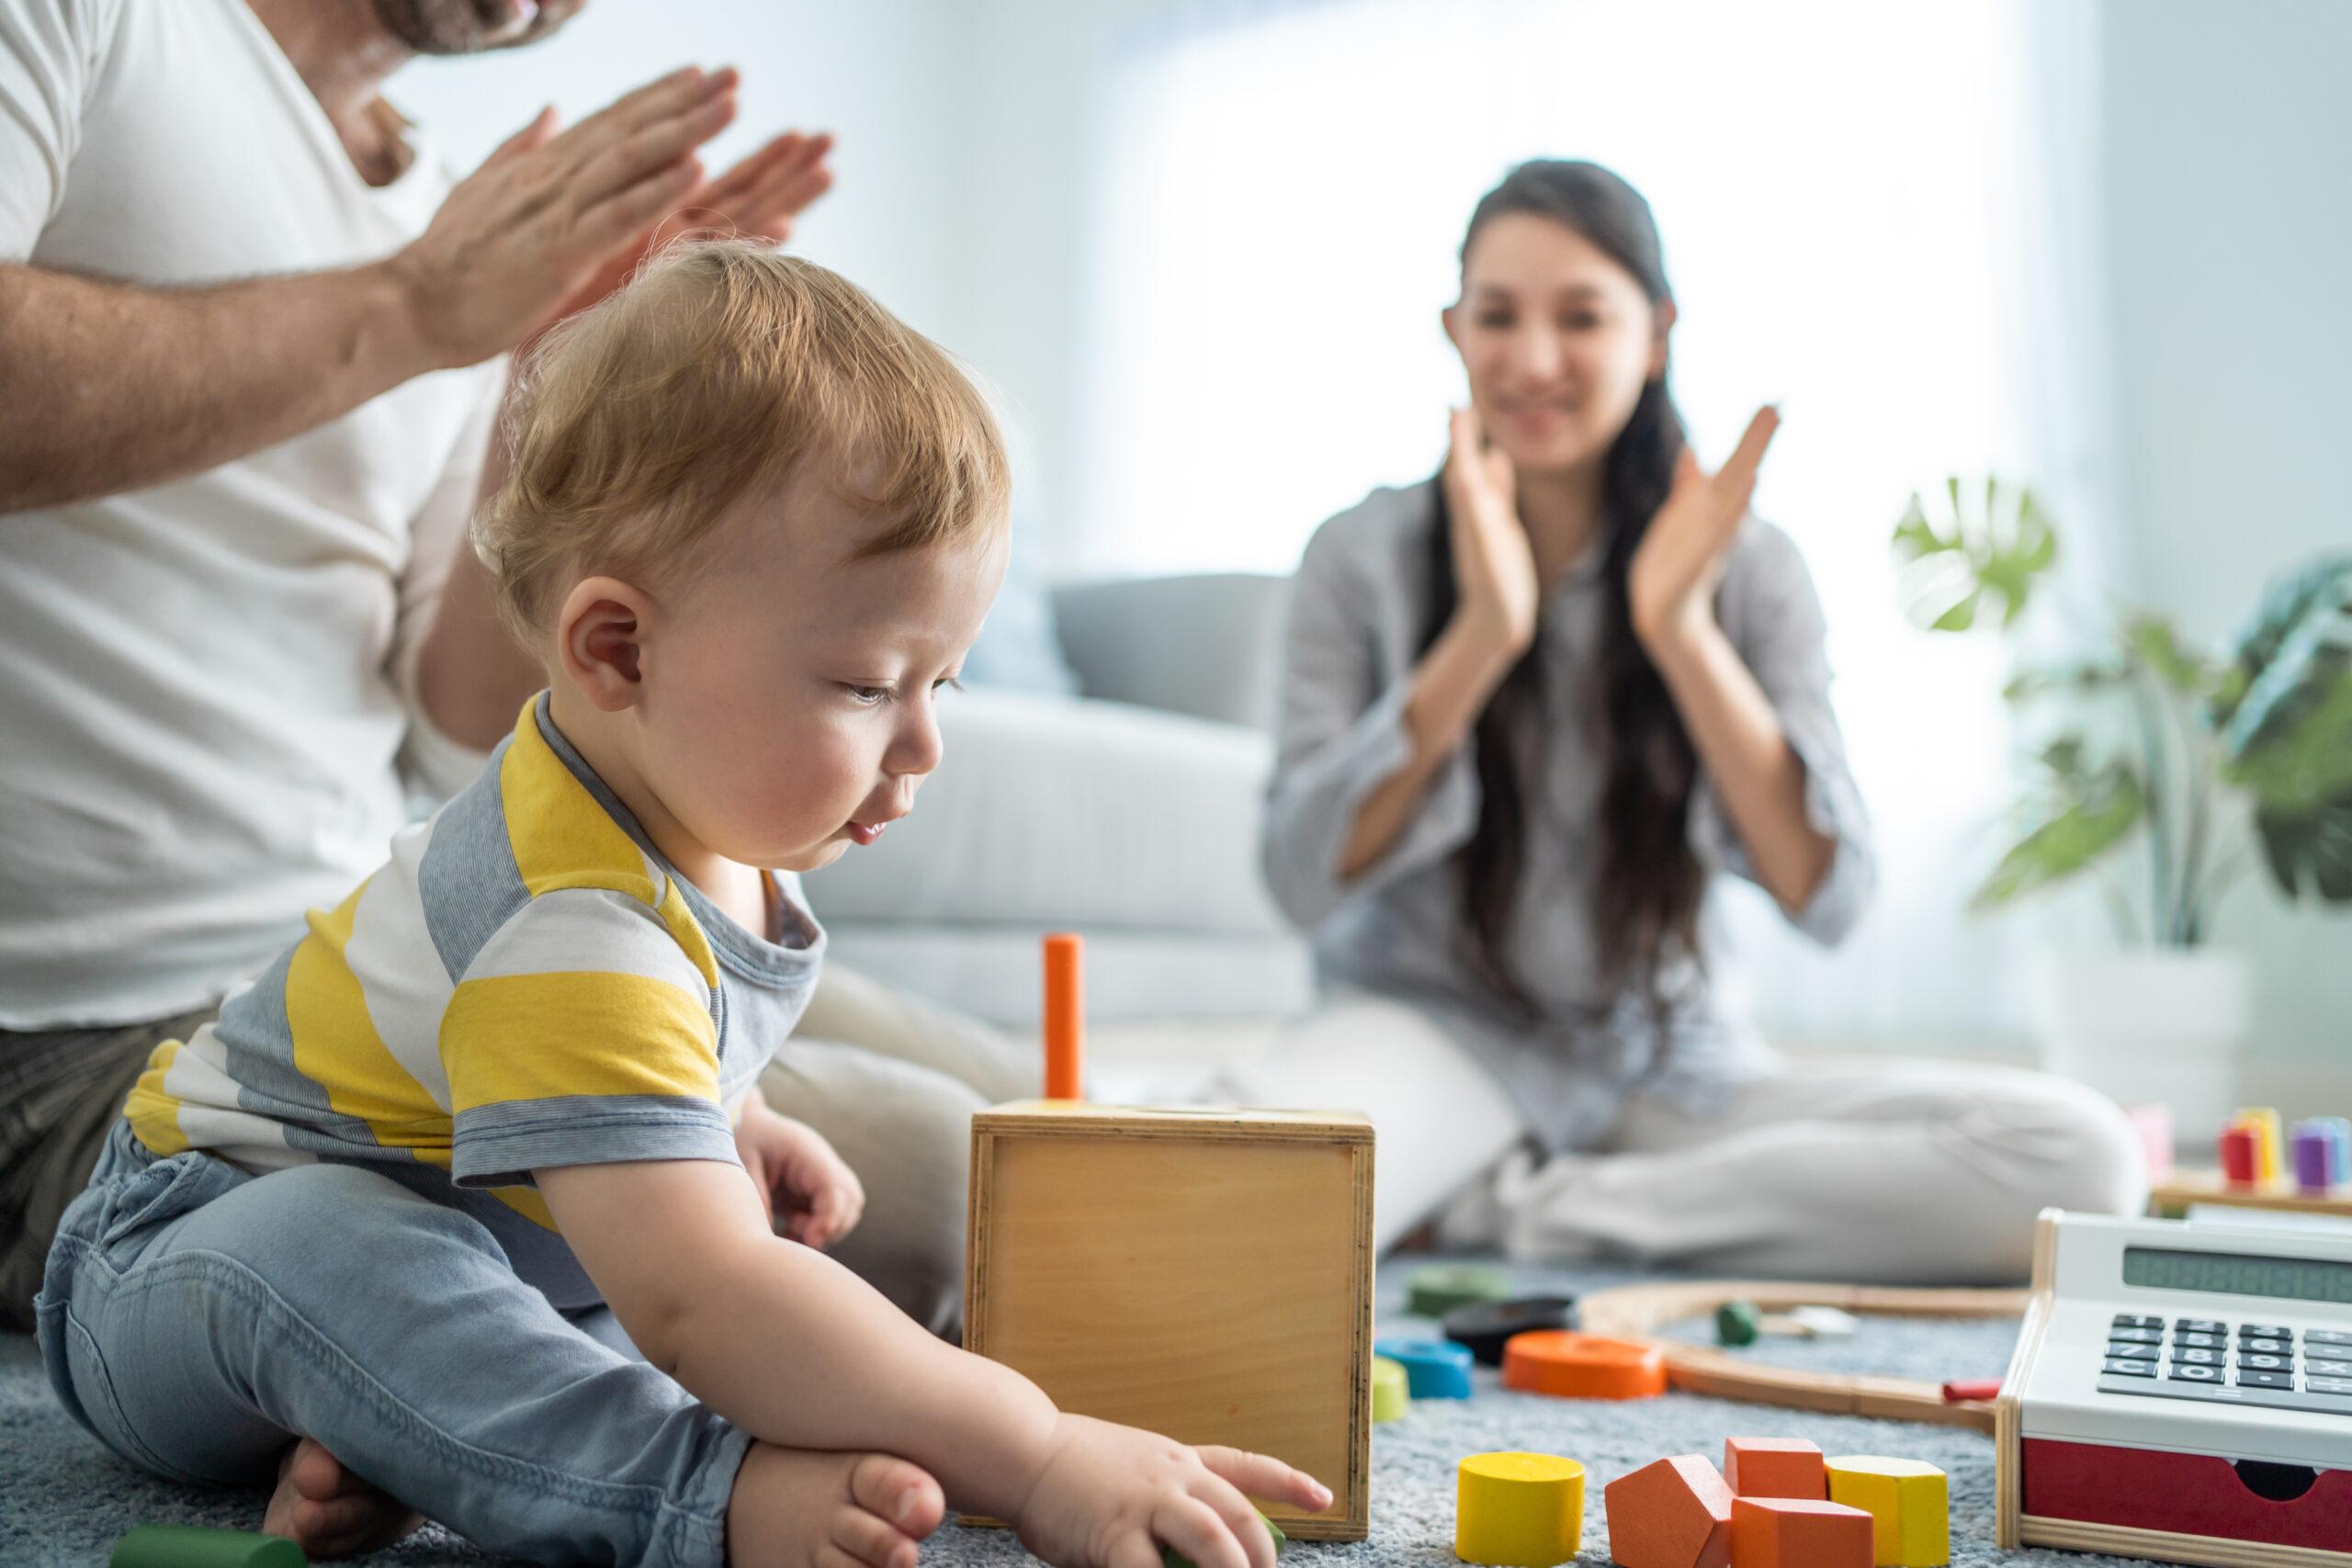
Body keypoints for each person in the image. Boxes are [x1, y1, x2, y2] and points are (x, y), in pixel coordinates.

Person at [38, 244, 1330, 1568]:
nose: (927, 742)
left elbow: (664, 1048)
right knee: (412, 1262)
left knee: (624, 1294)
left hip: (480, 1235)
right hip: (179, 1255)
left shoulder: (696, 810)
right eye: (871, 683)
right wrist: (1040, 1448)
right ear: (619, 649)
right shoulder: (569, 922)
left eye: (941, 678)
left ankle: (410, 1426)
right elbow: (700, 1298)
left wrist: (733, 1114)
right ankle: (688, 1493)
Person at [0, 0, 1030, 1348]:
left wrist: (562, 422)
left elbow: (468, 721)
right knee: (980, 1189)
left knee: (1035, 1101)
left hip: (385, 945)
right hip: (106, 1050)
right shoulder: (88, 25)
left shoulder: (453, 219)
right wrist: (415, 308)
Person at [1227, 160, 2145, 1283]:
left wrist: (1681, 631)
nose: (1533, 359)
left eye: (1582, 316)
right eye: (1497, 316)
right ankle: (1473, 1186)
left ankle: (1520, 1214)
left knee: (2080, 1161)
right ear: (1452, 331)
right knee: (1222, 1209)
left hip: (1670, 1067)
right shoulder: (1356, 554)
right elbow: (1296, 878)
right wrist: (1480, 638)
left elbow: (1830, 895)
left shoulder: (1749, 566)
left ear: (1655, 333)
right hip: (1433, 1034)